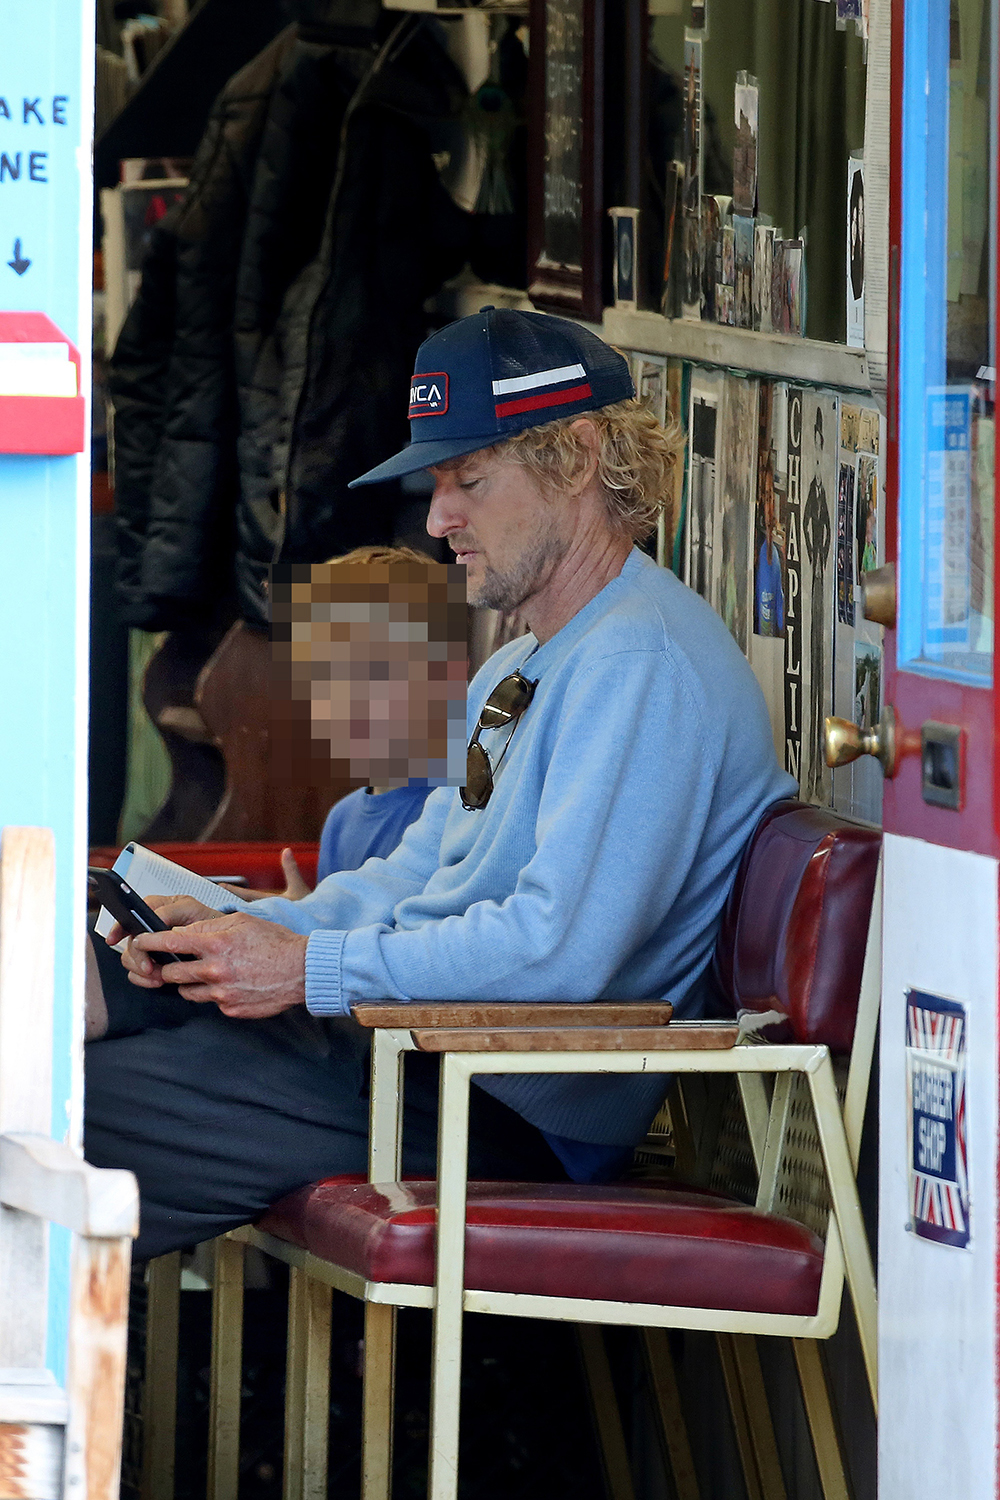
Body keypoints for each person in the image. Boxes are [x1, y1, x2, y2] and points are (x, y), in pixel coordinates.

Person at [85, 307, 796, 1258]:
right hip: (416, 1050)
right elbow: (416, 879)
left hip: (506, 1104)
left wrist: (306, 969)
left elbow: (559, 954)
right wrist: (239, 925)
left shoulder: (641, 661)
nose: (437, 518)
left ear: (579, 457)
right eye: (436, 483)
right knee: (87, 971)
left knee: (70, 1108)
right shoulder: (525, 660)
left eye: (469, 479)